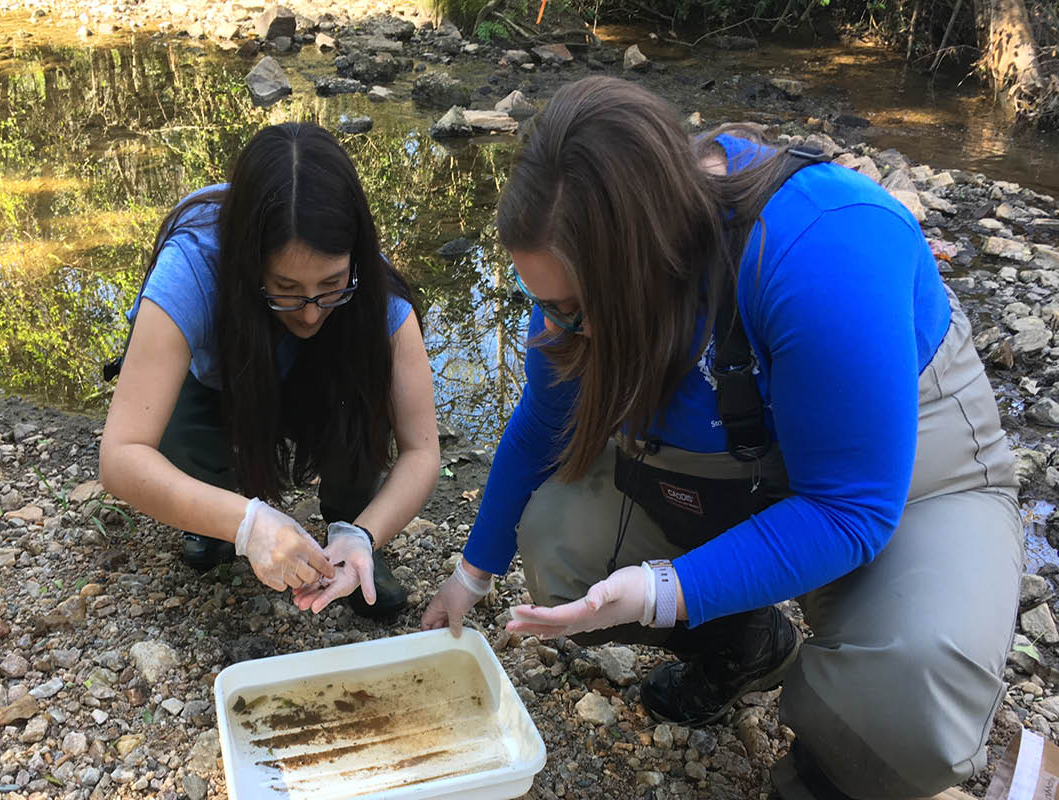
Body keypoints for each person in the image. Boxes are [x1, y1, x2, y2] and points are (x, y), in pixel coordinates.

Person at [421, 76, 1023, 798]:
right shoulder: (570, 291)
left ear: (650, 262)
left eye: (573, 307)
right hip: (731, 470)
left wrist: (663, 589)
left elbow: (851, 508)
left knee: (909, 699)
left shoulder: (822, 244)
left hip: (905, 474)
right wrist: (471, 574)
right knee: (556, 542)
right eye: (541, 303)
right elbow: (539, 428)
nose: (555, 326)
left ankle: (828, 768)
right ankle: (746, 645)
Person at [100, 122, 439, 619]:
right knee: (180, 434)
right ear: (247, 264)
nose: (308, 312)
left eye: (330, 285)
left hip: (320, 385)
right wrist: (246, 522)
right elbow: (121, 456)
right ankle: (212, 514)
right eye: (285, 287)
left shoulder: (375, 293)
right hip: (220, 387)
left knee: (363, 398)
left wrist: (365, 533)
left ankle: (353, 532)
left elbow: (422, 449)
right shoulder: (193, 266)